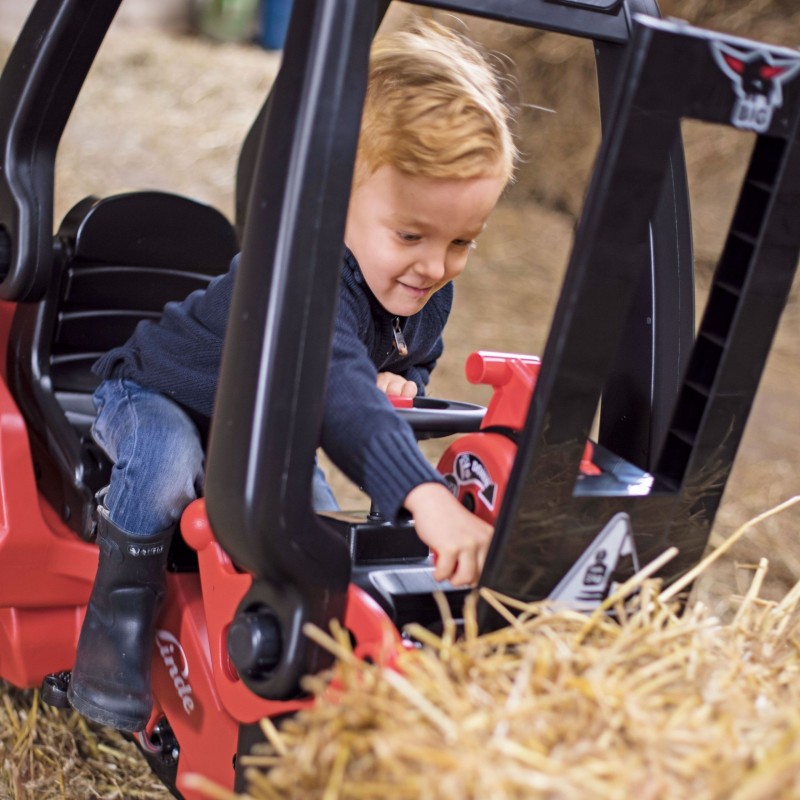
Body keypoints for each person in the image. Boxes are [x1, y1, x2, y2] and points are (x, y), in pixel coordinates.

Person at [67, 19, 518, 733]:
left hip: (259, 420)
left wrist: (407, 384)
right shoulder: (305, 274)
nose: (435, 266)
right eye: (411, 236)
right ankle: (114, 629)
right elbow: (336, 390)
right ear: (332, 201)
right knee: (166, 466)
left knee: (302, 522)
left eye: (462, 241)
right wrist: (426, 497)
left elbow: (399, 362)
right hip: (157, 393)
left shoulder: (424, 289)